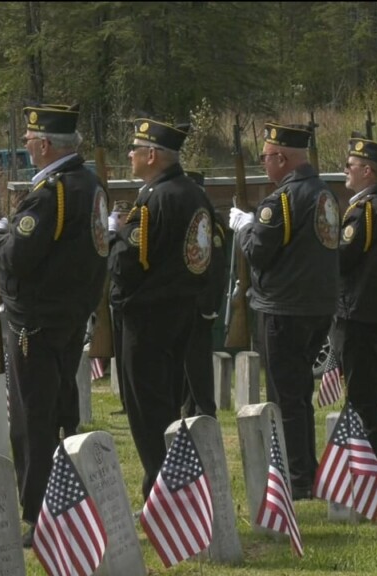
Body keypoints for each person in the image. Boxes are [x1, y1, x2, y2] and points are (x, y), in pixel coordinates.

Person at [0, 102, 108, 548]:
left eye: (31, 141)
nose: (28, 147)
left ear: (47, 145)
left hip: (34, 321)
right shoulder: (89, 185)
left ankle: (39, 515)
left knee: (33, 420)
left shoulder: (52, 193)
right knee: (60, 411)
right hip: (69, 316)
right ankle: (67, 502)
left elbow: (18, 256)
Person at [230, 122, 340, 500]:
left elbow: (260, 251)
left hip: (284, 308)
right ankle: (305, 470)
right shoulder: (324, 193)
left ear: (281, 157)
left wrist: (245, 228)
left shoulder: (281, 200)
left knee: (285, 396)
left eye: (265, 156)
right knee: (299, 394)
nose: (263, 162)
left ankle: (298, 478)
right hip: (316, 306)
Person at [108, 117, 213, 501]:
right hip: (181, 312)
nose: (130, 156)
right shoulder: (194, 194)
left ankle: (160, 490)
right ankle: (171, 489)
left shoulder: (154, 199)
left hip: (147, 317)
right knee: (167, 406)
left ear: (152, 155)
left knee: (148, 412)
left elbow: (126, 263)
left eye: (135, 149)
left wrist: (115, 235)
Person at [331, 132, 377, 462]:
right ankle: (375, 452)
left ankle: (367, 458)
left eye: (351, 165)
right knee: (374, 387)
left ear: (368, 171)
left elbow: (343, 259)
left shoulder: (365, 210)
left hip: (358, 312)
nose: (345, 170)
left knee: (361, 392)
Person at [182, 171, 227, 419]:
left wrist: (209, 305)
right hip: (187, 303)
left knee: (197, 361)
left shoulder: (209, 219)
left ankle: (204, 411)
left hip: (199, 305)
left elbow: (216, 265)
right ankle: (189, 409)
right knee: (188, 363)